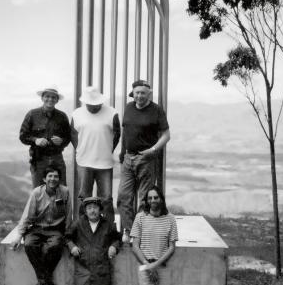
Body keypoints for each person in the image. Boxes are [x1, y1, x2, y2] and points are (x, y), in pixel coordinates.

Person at [117, 79, 170, 242]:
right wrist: (122, 151)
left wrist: (153, 150)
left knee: (144, 197)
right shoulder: (128, 107)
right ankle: (127, 230)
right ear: (133, 94)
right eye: (137, 93)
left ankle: (138, 232)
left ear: (149, 94)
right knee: (124, 195)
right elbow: (125, 131)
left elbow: (166, 135)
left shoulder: (156, 110)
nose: (139, 96)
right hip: (128, 157)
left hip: (146, 159)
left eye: (142, 93)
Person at [11, 166, 72, 285]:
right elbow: (27, 216)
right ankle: (46, 280)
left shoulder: (65, 192)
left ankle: (41, 281)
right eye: (50, 176)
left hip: (55, 229)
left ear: (59, 179)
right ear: (44, 179)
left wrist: (69, 238)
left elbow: (68, 216)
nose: (53, 179)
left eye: (56, 176)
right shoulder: (36, 193)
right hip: (37, 228)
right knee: (29, 245)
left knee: (55, 247)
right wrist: (19, 236)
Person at [71, 86, 120, 224]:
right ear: (85, 102)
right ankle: (82, 229)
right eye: (90, 103)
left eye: (96, 103)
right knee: (83, 198)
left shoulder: (112, 113)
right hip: (84, 162)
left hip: (105, 163)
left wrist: (107, 148)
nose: (93, 106)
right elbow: (73, 135)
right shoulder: (76, 114)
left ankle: (108, 230)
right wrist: (80, 149)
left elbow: (117, 134)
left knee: (106, 199)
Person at [20, 87, 71, 187]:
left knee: (61, 191)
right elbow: (23, 136)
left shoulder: (62, 116)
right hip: (38, 160)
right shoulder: (32, 114)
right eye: (47, 96)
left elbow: (68, 137)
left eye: (53, 97)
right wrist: (35, 140)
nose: (50, 99)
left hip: (57, 158)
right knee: (39, 191)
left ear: (57, 100)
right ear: (42, 98)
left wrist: (61, 141)